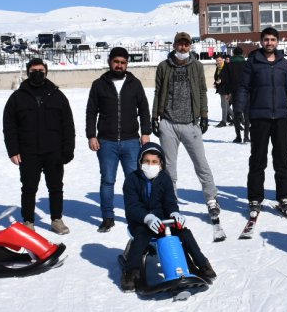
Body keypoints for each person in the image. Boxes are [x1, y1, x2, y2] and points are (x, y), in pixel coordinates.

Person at [119, 142, 215, 292]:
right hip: (141, 222)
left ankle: (202, 264)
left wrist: (174, 213)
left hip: (163, 221)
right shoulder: (132, 180)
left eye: (154, 162)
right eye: (147, 161)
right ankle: (131, 272)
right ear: (140, 162)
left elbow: (170, 201)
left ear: (161, 164)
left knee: (184, 232)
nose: (150, 165)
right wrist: (147, 218)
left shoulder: (164, 178)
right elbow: (132, 207)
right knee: (141, 236)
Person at [153, 31, 222, 230]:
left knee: (201, 164)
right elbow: (158, 91)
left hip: (191, 123)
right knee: (169, 169)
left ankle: (211, 200)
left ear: (190, 46)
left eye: (186, 44)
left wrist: (205, 114)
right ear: (174, 45)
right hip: (168, 124)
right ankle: (171, 204)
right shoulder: (164, 67)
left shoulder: (197, 66)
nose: (183, 48)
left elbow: (202, 90)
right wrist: (154, 116)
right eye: (179, 44)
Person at [236, 27, 287, 219]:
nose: (269, 43)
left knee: (282, 158)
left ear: (278, 42)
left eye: (273, 39)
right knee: (258, 159)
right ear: (261, 41)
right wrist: (239, 109)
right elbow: (244, 88)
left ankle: (284, 197)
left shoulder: (283, 63)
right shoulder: (253, 62)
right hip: (259, 117)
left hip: (281, 117)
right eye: (266, 39)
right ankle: (255, 198)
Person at [3, 58, 75, 235]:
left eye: (41, 70)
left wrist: (68, 150)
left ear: (46, 72)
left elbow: (68, 125)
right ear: (27, 72)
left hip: (54, 152)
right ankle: (28, 221)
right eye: (33, 70)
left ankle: (56, 219)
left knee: (56, 187)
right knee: (28, 188)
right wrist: (13, 150)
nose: (37, 73)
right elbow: (9, 126)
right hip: (28, 153)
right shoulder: (17, 97)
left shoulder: (57, 95)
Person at [85, 47, 151, 233]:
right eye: (116, 62)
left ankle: (135, 215)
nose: (119, 65)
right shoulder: (99, 84)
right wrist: (91, 135)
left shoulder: (134, 83)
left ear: (127, 64)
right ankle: (107, 217)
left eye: (123, 62)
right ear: (110, 62)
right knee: (107, 180)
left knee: (133, 180)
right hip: (106, 142)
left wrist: (146, 132)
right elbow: (91, 111)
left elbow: (144, 109)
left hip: (131, 141)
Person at [224, 47, 250, 143]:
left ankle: (238, 136)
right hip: (246, 92)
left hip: (235, 92)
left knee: (236, 114)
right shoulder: (247, 64)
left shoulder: (228, 65)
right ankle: (246, 136)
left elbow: (226, 80)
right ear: (242, 54)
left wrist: (227, 92)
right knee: (246, 115)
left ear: (234, 54)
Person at [214, 54, 232, 126]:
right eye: (217, 60)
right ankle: (237, 118)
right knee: (225, 106)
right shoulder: (218, 68)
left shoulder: (227, 66)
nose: (218, 62)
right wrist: (216, 82)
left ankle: (224, 121)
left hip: (226, 89)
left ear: (223, 60)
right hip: (221, 88)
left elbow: (229, 78)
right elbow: (217, 77)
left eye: (220, 60)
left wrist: (222, 80)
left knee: (224, 106)